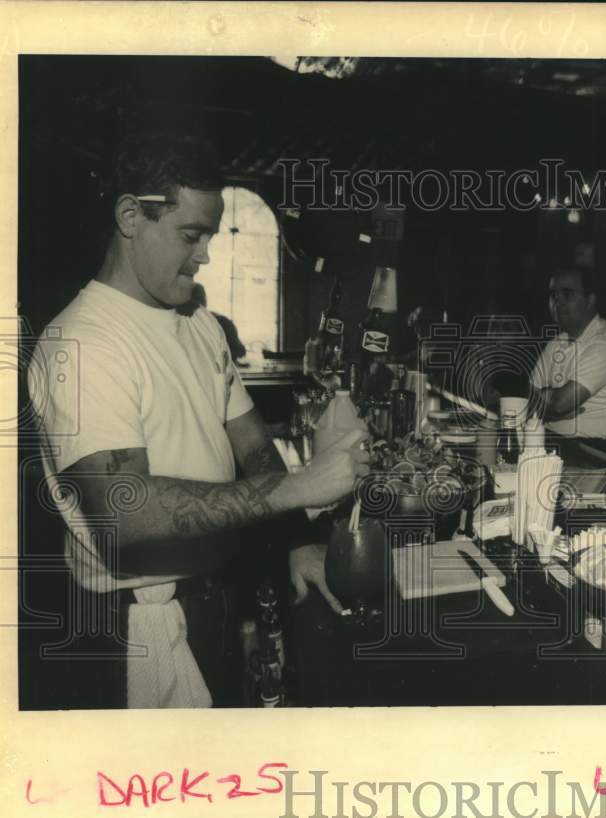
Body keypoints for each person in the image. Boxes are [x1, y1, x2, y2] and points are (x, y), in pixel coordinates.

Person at [27, 131, 369, 708]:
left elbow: (253, 444)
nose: (206, 253)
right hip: (135, 626)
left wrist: (296, 540)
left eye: (210, 233)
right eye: (192, 234)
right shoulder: (82, 342)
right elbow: (123, 513)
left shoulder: (199, 323)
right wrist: (298, 488)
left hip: (217, 600)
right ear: (130, 216)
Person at [529, 267, 606, 445]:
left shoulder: (605, 346)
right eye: (553, 295)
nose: (557, 302)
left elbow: (560, 403)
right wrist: (550, 411)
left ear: (590, 300)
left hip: (590, 452)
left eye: (567, 294)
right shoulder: (556, 342)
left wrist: (545, 401)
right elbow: (527, 398)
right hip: (550, 442)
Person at [188, 282, 247, 364]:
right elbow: (240, 351)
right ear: (205, 301)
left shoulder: (179, 324)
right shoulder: (222, 321)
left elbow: (239, 351)